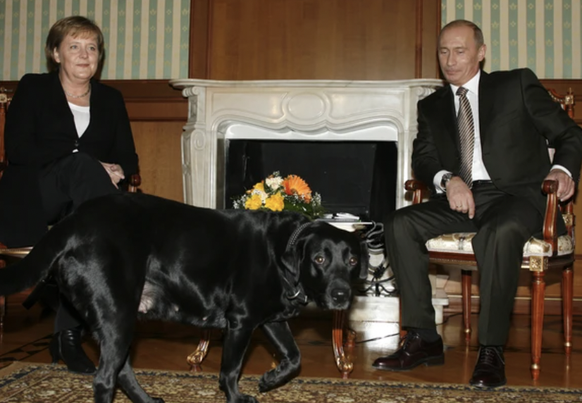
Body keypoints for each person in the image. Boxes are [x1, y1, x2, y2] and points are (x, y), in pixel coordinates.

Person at [372, 19, 582, 388]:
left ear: (481, 53)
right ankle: (423, 337)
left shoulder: (515, 85)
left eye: (460, 50)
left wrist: (562, 169)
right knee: (399, 222)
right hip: (465, 198)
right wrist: (447, 179)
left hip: (518, 197)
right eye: (443, 51)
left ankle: (491, 348)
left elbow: (570, 133)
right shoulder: (432, 105)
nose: (450, 60)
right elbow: (423, 159)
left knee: (498, 232)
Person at [0, 16, 139, 374]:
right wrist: (87, 162)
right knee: (91, 188)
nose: (84, 54)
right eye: (74, 46)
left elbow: (128, 157)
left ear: (99, 57)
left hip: (83, 205)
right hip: (35, 195)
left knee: (89, 235)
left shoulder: (111, 99)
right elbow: (17, 150)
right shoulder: (34, 88)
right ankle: (106, 308)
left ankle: (67, 336)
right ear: (55, 53)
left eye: (92, 47)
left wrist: (118, 169)